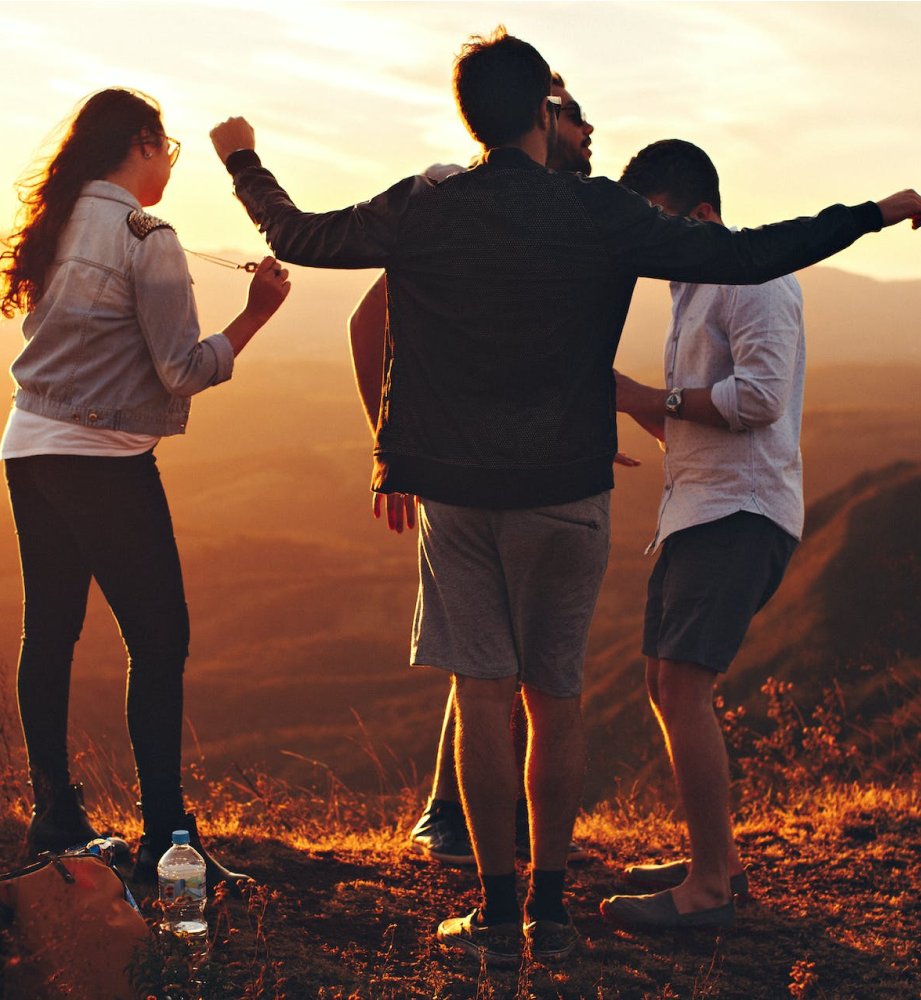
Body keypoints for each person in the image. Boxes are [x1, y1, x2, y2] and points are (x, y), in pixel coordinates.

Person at [210, 27, 919, 965]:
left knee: (481, 690)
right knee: (558, 701)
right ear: (546, 111)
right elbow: (748, 253)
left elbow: (300, 235)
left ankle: (498, 917)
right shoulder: (595, 213)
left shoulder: (426, 205)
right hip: (571, 491)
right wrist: (872, 210)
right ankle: (550, 906)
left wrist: (243, 160)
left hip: (459, 493)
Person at [0, 88, 291, 887]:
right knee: (160, 640)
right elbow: (183, 369)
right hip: (104, 458)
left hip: (28, 445)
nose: (169, 167)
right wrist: (257, 313)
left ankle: (54, 813)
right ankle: (169, 839)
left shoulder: (58, 222)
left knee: (51, 631)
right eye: (168, 151)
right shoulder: (146, 236)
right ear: (142, 144)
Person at [349, 71, 602, 869]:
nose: (592, 132)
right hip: (467, 472)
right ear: (537, 116)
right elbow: (368, 321)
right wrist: (394, 449)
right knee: (492, 667)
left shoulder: (552, 218)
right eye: (575, 114)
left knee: (497, 665)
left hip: (524, 467)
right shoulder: (452, 199)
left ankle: (483, 841)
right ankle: (456, 823)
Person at [596, 140, 807, 930]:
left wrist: (653, 394)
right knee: (664, 683)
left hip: (740, 513)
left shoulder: (751, 279)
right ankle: (713, 859)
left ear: (704, 214)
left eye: (655, 221)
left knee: (683, 686)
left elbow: (756, 400)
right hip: (699, 508)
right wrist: (627, 402)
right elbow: (693, 418)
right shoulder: (691, 289)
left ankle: (711, 889)